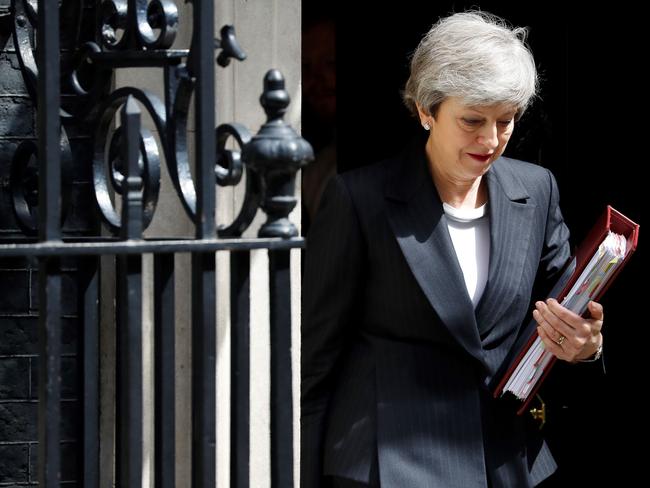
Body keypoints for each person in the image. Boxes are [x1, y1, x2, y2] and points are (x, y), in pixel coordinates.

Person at [301, 11, 604, 488]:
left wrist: (587, 344)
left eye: (505, 121)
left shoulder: (537, 188)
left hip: (505, 461)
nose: (490, 139)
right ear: (426, 110)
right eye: (471, 120)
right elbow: (313, 364)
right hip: (389, 465)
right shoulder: (359, 200)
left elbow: (565, 308)